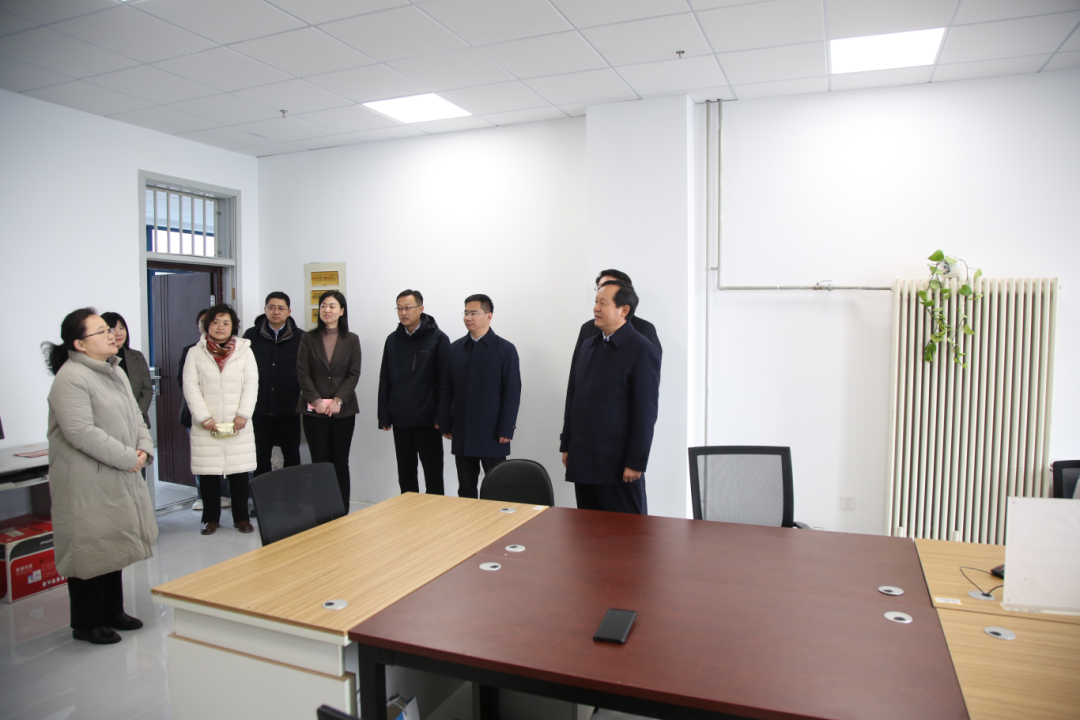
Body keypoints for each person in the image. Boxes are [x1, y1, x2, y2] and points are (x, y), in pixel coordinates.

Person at [42, 308, 157, 645]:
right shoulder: (71, 378)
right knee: (89, 546)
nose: (111, 335)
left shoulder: (114, 370)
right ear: (79, 344)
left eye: (110, 329)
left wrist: (143, 448)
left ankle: (112, 611)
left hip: (117, 472)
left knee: (112, 541)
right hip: (86, 479)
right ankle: (86, 622)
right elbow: (81, 433)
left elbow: (136, 416)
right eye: (102, 331)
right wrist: (129, 458)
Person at [560, 281, 661, 515]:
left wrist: (636, 461)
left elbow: (645, 412)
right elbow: (575, 399)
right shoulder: (588, 345)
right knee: (587, 530)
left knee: (626, 533)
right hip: (583, 458)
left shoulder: (641, 349)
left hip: (617, 465)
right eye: (596, 302)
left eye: (603, 303)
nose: (596, 308)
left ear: (624, 310)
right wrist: (567, 445)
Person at [183, 304, 258, 535]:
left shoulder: (245, 351)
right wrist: (204, 417)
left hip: (238, 423)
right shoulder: (195, 353)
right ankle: (210, 518)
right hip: (208, 424)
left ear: (233, 326)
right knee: (209, 473)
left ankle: (241, 518)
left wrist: (243, 414)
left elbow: (252, 384)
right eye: (215, 322)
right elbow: (190, 387)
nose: (220, 327)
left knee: (239, 472)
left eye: (226, 323)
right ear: (207, 326)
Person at [443, 294, 521, 498]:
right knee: (466, 487)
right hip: (462, 428)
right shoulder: (455, 349)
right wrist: (445, 422)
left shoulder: (505, 349)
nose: (468, 317)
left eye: (474, 313)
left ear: (489, 316)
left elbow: (512, 392)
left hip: (493, 432)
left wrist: (507, 427)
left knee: (498, 487)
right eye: (466, 313)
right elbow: (446, 388)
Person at [378, 289, 451, 496]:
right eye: (399, 308)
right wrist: (384, 415)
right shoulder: (392, 340)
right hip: (400, 419)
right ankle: (408, 514)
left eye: (408, 308)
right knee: (406, 474)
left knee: (433, 474)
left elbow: (445, 381)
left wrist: (441, 416)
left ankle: (435, 513)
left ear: (421, 308)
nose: (403, 313)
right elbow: (385, 379)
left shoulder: (438, 338)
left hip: (428, 421)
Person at [296, 291, 362, 506]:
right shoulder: (308, 338)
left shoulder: (351, 339)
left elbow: (353, 373)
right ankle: (323, 510)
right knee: (319, 462)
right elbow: (303, 373)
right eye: (323, 306)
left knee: (340, 462)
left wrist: (338, 400)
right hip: (313, 411)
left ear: (341, 311)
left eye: (332, 306)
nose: (327, 310)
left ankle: (342, 510)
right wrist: (315, 401)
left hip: (343, 410)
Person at [243, 292, 304, 478]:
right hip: (259, 408)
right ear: (265, 310)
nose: (276, 312)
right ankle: (262, 497)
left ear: (289, 311)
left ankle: (292, 494)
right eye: (271, 307)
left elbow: (306, 370)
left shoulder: (301, 337)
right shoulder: (251, 335)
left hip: (289, 408)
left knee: (292, 456)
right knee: (260, 458)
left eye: (280, 308)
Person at [178, 309, 230, 512]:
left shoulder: (233, 350)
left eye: (222, 322)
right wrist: (203, 411)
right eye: (206, 322)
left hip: (225, 414)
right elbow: (185, 383)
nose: (216, 326)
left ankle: (224, 494)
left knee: (223, 455)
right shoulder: (191, 351)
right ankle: (202, 497)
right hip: (198, 415)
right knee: (203, 457)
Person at [571, 269, 661, 364]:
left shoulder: (644, 329)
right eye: (600, 287)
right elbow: (577, 367)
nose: (603, 290)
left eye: (609, 285)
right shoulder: (587, 328)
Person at [100, 311, 153, 430]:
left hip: (137, 422)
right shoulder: (100, 359)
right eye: (112, 329)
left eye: (121, 328)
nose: (118, 333)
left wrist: (137, 415)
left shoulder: (137, 356)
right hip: (109, 424)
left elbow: (147, 389)